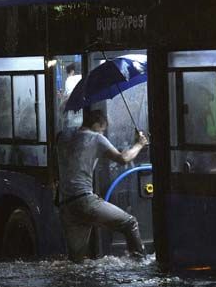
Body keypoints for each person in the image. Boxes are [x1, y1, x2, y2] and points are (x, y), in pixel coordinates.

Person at [55, 109, 148, 262]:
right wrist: (139, 144)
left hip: (66, 205)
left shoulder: (63, 137)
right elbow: (123, 158)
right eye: (103, 129)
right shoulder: (96, 138)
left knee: (75, 261)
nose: (103, 133)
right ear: (97, 124)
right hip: (85, 201)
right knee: (130, 223)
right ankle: (141, 265)